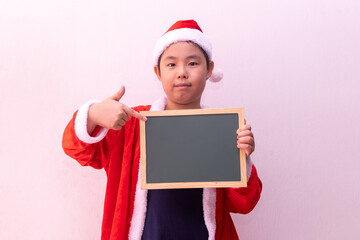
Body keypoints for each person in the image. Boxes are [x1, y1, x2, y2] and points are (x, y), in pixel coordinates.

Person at [62, 19, 262, 240]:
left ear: (209, 70)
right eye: (171, 64)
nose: (182, 72)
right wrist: (93, 115)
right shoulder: (131, 124)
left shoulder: (223, 131)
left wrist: (241, 159)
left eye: (193, 63)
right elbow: (77, 149)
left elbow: (244, 204)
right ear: (158, 72)